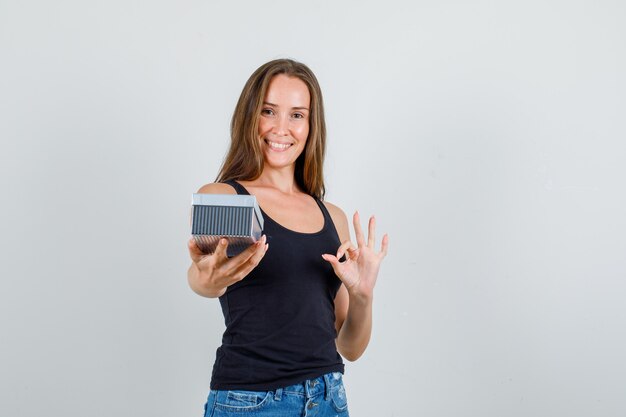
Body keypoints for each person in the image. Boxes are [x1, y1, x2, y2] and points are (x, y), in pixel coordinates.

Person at [187, 58, 388, 417]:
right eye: (269, 111)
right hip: (252, 403)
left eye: (297, 115)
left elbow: (350, 347)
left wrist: (363, 295)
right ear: (250, 117)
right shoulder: (225, 197)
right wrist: (207, 279)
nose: (282, 128)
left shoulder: (334, 218)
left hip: (328, 399)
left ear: (311, 126)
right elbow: (204, 273)